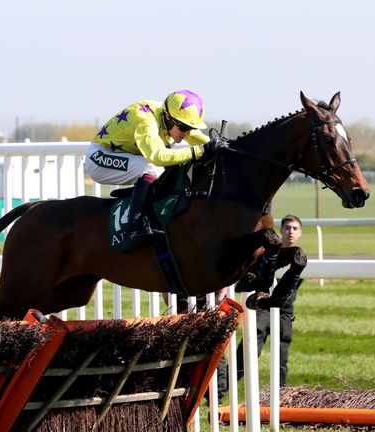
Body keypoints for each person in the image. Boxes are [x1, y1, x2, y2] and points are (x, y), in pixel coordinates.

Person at [85, 90, 228, 251]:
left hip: (123, 154)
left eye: (190, 127)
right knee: (152, 166)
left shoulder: (170, 116)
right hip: (99, 158)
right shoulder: (145, 122)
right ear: (168, 117)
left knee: (168, 168)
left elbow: (198, 138)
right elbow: (158, 156)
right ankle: (134, 229)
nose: (186, 133)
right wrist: (200, 151)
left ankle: (141, 198)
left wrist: (224, 145)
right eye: (184, 128)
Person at [219, 214, 305, 400]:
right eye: (287, 228)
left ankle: (280, 397)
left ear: (300, 233)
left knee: (281, 357)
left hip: (284, 312)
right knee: (249, 351)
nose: (290, 232)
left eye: (295, 229)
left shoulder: (299, 255)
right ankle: (220, 392)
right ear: (280, 231)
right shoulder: (269, 253)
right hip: (262, 307)